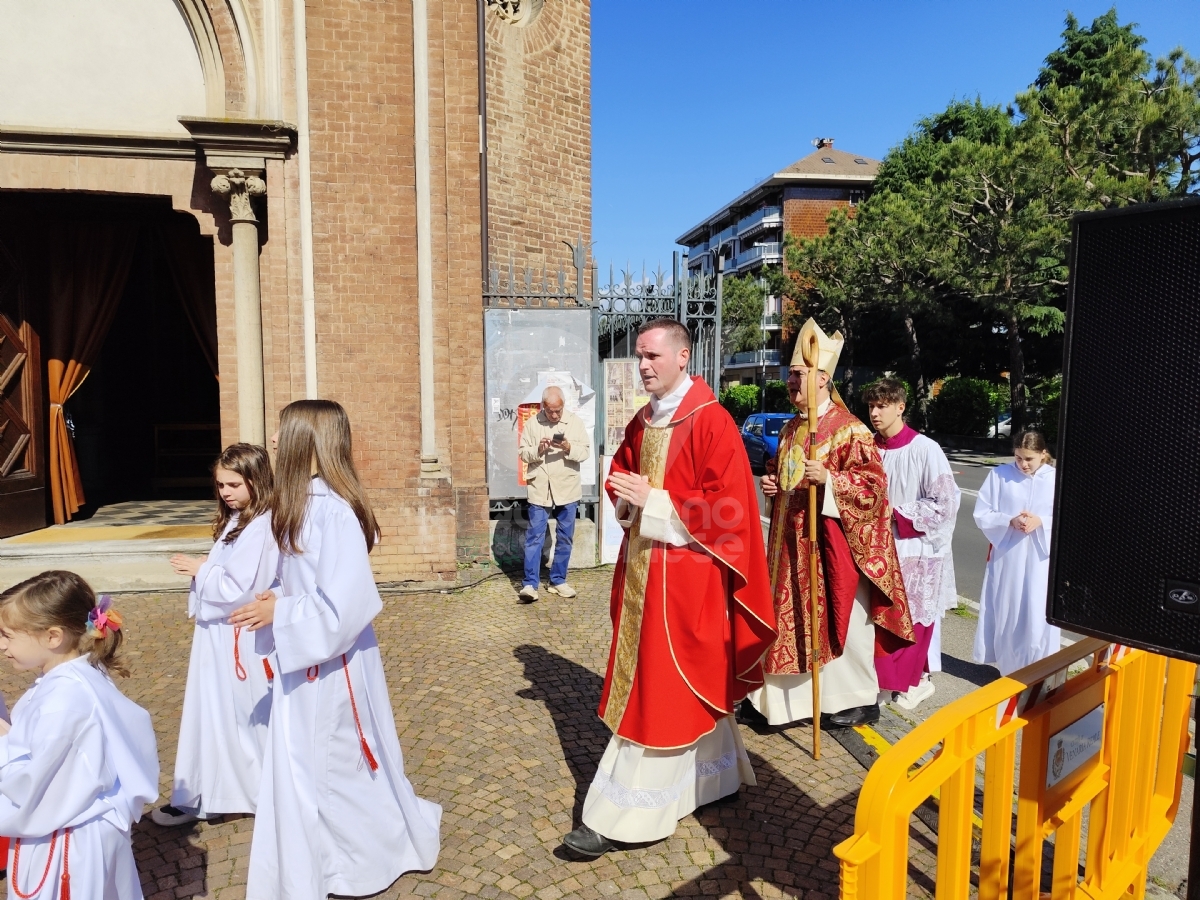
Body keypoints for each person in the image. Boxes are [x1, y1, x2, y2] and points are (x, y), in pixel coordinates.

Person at [561, 318, 776, 858]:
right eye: (639, 356)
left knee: (661, 690)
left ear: (684, 358)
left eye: (654, 355)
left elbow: (730, 515)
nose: (644, 365)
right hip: (644, 573)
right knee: (665, 682)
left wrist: (654, 501)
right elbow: (622, 477)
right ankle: (713, 777)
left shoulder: (713, 423)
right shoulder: (642, 420)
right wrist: (629, 498)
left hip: (687, 581)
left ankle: (625, 816)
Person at [230, 400, 441, 899]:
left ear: (308, 441)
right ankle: (319, 858)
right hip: (307, 657)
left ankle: (352, 863)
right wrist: (277, 597)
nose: (275, 442)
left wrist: (281, 613)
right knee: (308, 761)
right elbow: (309, 584)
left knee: (332, 761)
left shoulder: (333, 512)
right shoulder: (301, 502)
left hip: (331, 662)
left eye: (284, 432)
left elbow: (347, 605)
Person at [750, 319, 914, 729]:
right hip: (789, 546)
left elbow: (874, 488)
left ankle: (853, 699)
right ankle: (786, 704)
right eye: (789, 374)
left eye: (799, 375)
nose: (791, 382)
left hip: (832, 546)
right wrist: (774, 483)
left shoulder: (850, 429)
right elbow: (784, 473)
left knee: (842, 619)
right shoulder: (790, 428)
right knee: (790, 622)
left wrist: (832, 481)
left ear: (823, 379)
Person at [0, 570, 159, 900]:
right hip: (79, 830)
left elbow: (35, 789)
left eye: (8, 635)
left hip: (66, 844)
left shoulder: (64, 700)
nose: (3, 647)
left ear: (53, 636)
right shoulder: (77, 674)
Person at [152, 443, 278, 827]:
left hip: (236, 633)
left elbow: (241, 586)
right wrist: (208, 566)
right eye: (221, 484)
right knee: (210, 713)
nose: (225, 492)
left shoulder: (262, 525)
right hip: (216, 635)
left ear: (256, 481)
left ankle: (244, 792)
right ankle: (207, 791)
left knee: (236, 716)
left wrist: (199, 569)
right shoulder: (236, 520)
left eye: (234, 484)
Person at [865, 379, 960, 710]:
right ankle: (880, 682)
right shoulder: (866, 447)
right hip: (873, 548)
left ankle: (911, 682)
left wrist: (896, 514)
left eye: (882, 406)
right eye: (871, 407)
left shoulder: (925, 449)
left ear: (900, 407)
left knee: (910, 622)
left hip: (913, 548)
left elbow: (945, 503)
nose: (875, 413)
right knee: (876, 621)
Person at [972, 430, 1060, 675]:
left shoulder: (1056, 478)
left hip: (1041, 557)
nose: (1023, 464)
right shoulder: (1000, 475)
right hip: (1009, 553)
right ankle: (1009, 670)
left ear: (1043, 455)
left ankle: (1043, 670)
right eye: (1019, 458)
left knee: (1038, 609)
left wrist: (1042, 521)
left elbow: (1068, 516)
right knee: (1008, 609)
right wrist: (1009, 520)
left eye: (1029, 459)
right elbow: (982, 512)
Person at [517, 385, 591, 602]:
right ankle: (530, 584)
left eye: (558, 410)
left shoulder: (574, 423)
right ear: (543, 407)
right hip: (540, 487)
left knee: (565, 537)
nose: (555, 414)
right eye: (550, 411)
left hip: (567, 487)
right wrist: (538, 450)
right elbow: (523, 453)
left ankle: (558, 580)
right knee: (534, 537)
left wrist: (568, 447)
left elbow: (585, 451)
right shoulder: (532, 424)